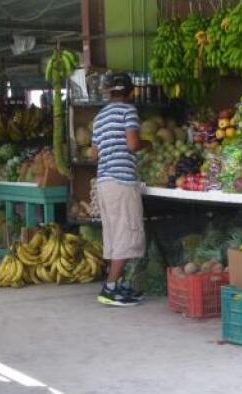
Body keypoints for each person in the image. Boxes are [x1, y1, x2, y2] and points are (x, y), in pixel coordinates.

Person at [92, 72, 151, 307]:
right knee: (127, 234)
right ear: (130, 92)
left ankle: (118, 285)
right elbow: (133, 144)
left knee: (115, 235)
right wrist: (149, 143)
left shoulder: (99, 117)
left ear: (109, 92)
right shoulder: (128, 111)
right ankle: (110, 288)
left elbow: (94, 153)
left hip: (104, 181)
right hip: (122, 181)